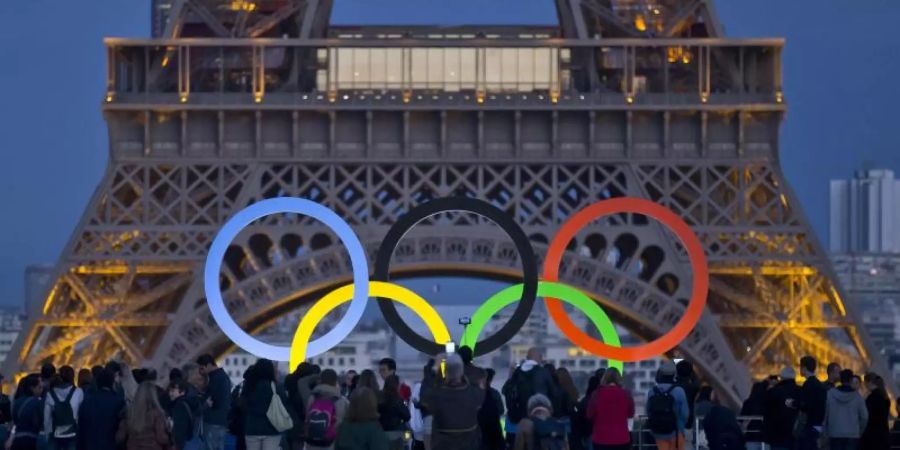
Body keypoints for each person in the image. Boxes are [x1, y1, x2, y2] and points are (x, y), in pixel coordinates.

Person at [421, 353, 485, 450]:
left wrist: (434, 369)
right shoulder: (474, 394)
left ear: (445, 373)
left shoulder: (438, 395)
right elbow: (479, 384)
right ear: (462, 371)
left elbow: (424, 396)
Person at [502, 347, 560, 435]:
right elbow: (555, 394)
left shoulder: (517, 373)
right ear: (540, 357)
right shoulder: (544, 372)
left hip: (520, 418)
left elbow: (506, 391)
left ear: (527, 357)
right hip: (540, 416)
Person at [242, 359, 290, 450]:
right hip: (272, 428)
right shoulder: (276, 387)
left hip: (252, 427)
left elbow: (242, 404)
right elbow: (284, 402)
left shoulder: (249, 386)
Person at [78, 368, 127, 450]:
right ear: (112, 383)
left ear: (97, 382)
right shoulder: (119, 401)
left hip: (91, 445)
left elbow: (81, 428)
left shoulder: (87, 400)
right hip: (111, 445)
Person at [586, 368, 633, 450]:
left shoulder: (597, 394)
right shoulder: (626, 394)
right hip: (622, 439)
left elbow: (589, 414)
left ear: (604, 378)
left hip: (601, 439)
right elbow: (631, 413)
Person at [645, 361, 689, 450]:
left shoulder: (652, 391)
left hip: (658, 432)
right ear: (674, 375)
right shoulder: (679, 391)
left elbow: (648, 411)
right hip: (676, 431)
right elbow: (685, 414)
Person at [116, 381, 172, 450]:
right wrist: (171, 437)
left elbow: (120, 437)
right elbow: (161, 438)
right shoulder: (157, 413)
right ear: (154, 395)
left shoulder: (130, 412)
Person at [823, 369, 868, 450]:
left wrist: (825, 431)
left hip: (834, 433)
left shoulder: (830, 394)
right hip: (852, 434)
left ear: (840, 379)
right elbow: (864, 417)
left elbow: (825, 414)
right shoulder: (857, 397)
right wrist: (858, 431)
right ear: (851, 380)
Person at [306, 369, 350, 450]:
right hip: (330, 442)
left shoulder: (312, 397)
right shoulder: (340, 400)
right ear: (335, 381)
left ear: (320, 380)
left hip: (312, 441)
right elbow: (340, 423)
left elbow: (308, 416)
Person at [197, 354, 232, 450]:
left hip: (213, 420)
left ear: (208, 365)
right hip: (221, 420)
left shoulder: (216, 378)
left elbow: (213, 399)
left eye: (202, 368)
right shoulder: (222, 376)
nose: (201, 372)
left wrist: (203, 399)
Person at [43, 365, 83, 450]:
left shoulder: (50, 394)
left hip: (56, 433)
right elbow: (82, 415)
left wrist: (47, 435)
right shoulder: (78, 392)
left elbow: (47, 419)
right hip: (73, 432)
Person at [763, 367, 800, 450]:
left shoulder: (773, 392)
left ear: (781, 377)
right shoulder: (800, 391)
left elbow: (766, 413)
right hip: (795, 438)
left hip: (777, 437)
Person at [796, 356, 827, 450]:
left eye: (800, 367)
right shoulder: (820, 385)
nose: (799, 370)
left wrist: (793, 403)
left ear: (804, 368)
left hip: (809, 426)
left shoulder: (808, 384)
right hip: (818, 425)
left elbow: (805, 405)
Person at [9, 374, 43, 450]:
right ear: (32, 388)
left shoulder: (16, 402)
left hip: (17, 439)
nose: (41, 390)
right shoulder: (37, 402)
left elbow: (15, 421)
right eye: (39, 387)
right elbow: (37, 422)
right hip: (31, 440)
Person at [169, 379, 201, 450]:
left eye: (173, 391)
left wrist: (175, 445)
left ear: (182, 392)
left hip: (180, 443)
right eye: (170, 391)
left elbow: (179, 429)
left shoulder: (179, 406)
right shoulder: (186, 403)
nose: (170, 393)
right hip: (186, 440)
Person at [860, 373, 890, 450]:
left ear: (869, 382)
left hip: (872, 435)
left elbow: (867, 417)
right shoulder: (885, 397)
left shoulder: (871, 398)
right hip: (883, 434)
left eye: (864, 383)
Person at [478, 368, 505, 450]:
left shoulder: (476, 394)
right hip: (494, 429)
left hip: (480, 430)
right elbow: (501, 410)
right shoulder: (494, 394)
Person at [739, 381, 768, 450]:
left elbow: (741, 418)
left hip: (751, 435)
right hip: (765, 435)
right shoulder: (768, 402)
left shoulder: (748, 402)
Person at [675, 360, 701, 437]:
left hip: (673, 424)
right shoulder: (691, 388)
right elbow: (697, 384)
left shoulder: (672, 387)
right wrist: (692, 373)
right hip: (687, 423)